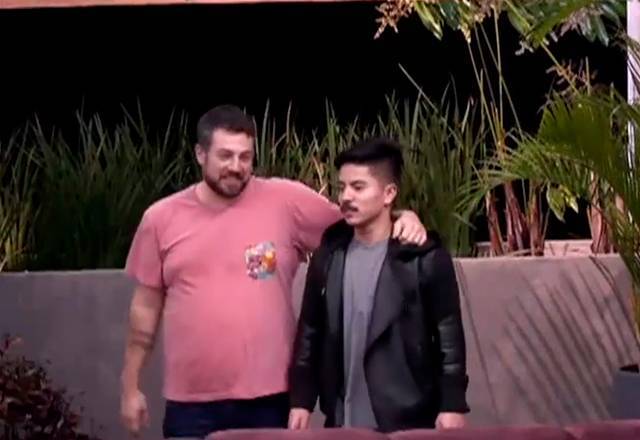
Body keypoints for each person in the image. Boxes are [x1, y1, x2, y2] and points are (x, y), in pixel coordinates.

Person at [119, 105, 428, 439]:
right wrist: (130, 386)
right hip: (191, 404)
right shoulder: (161, 219)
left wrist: (400, 216)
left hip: (271, 400)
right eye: (225, 156)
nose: (236, 166)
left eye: (245, 157)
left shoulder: (285, 200)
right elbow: (145, 310)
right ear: (200, 154)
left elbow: (357, 222)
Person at [288, 137, 469, 433]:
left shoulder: (423, 258)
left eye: (358, 187)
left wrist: (453, 405)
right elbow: (310, 331)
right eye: (342, 187)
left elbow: (449, 338)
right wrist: (301, 400)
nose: (346, 197)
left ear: (389, 193)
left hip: (408, 418)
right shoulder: (329, 256)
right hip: (342, 422)